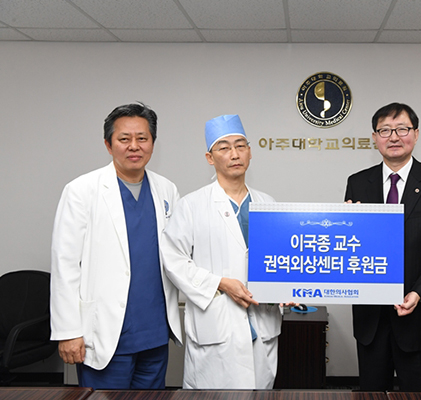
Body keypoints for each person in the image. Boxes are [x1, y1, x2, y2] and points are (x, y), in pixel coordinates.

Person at [50, 103, 182, 389]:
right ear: (108, 145)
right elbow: (65, 264)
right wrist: (68, 331)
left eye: (142, 138)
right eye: (124, 139)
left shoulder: (167, 190)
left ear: (153, 143)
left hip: (155, 332)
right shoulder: (81, 190)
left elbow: (177, 255)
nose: (134, 146)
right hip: (105, 331)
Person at [344, 102, 421, 391]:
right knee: (371, 394)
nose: (394, 137)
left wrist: (420, 292)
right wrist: (346, 226)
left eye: (402, 129)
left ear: (416, 134)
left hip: (419, 316)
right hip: (371, 320)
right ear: (375, 138)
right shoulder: (358, 182)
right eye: (385, 130)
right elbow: (351, 246)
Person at [161, 114, 283, 389]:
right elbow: (173, 260)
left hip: (261, 323)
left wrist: (286, 289)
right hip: (215, 325)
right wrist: (220, 283)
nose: (234, 154)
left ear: (250, 152)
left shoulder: (268, 203)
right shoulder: (192, 205)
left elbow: (280, 260)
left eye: (240, 146)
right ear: (210, 157)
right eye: (224, 148)